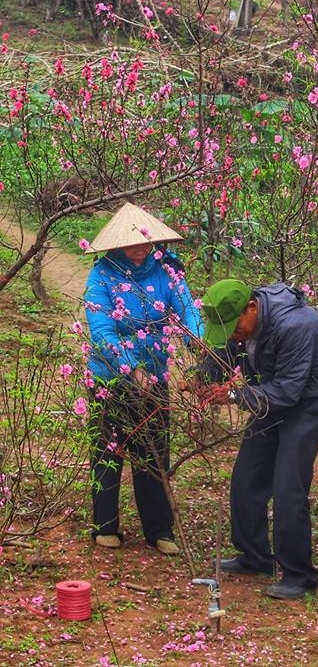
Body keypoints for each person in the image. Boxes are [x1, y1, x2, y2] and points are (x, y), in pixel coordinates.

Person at [196, 279, 318, 600]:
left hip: (312, 397)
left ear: (252, 308)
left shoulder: (295, 325)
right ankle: (255, 556)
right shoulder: (244, 321)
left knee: (287, 483)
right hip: (274, 391)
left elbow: (289, 392)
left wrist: (234, 394)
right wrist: (202, 378)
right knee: (248, 472)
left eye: (235, 327)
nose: (235, 335)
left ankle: (299, 574)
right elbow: (225, 348)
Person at [83, 202, 203, 555]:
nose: (138, 246)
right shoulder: (101, 275)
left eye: (143, 240)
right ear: (117, 243)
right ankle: (104, 526)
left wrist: (198, 343)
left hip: (155, 373)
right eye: (130, 241)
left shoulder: (167, 270)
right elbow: (102, 328)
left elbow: (188, 309)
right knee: (108, 448)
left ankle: (159, 530)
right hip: (111, 376)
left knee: (154, 453)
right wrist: (131, 366)